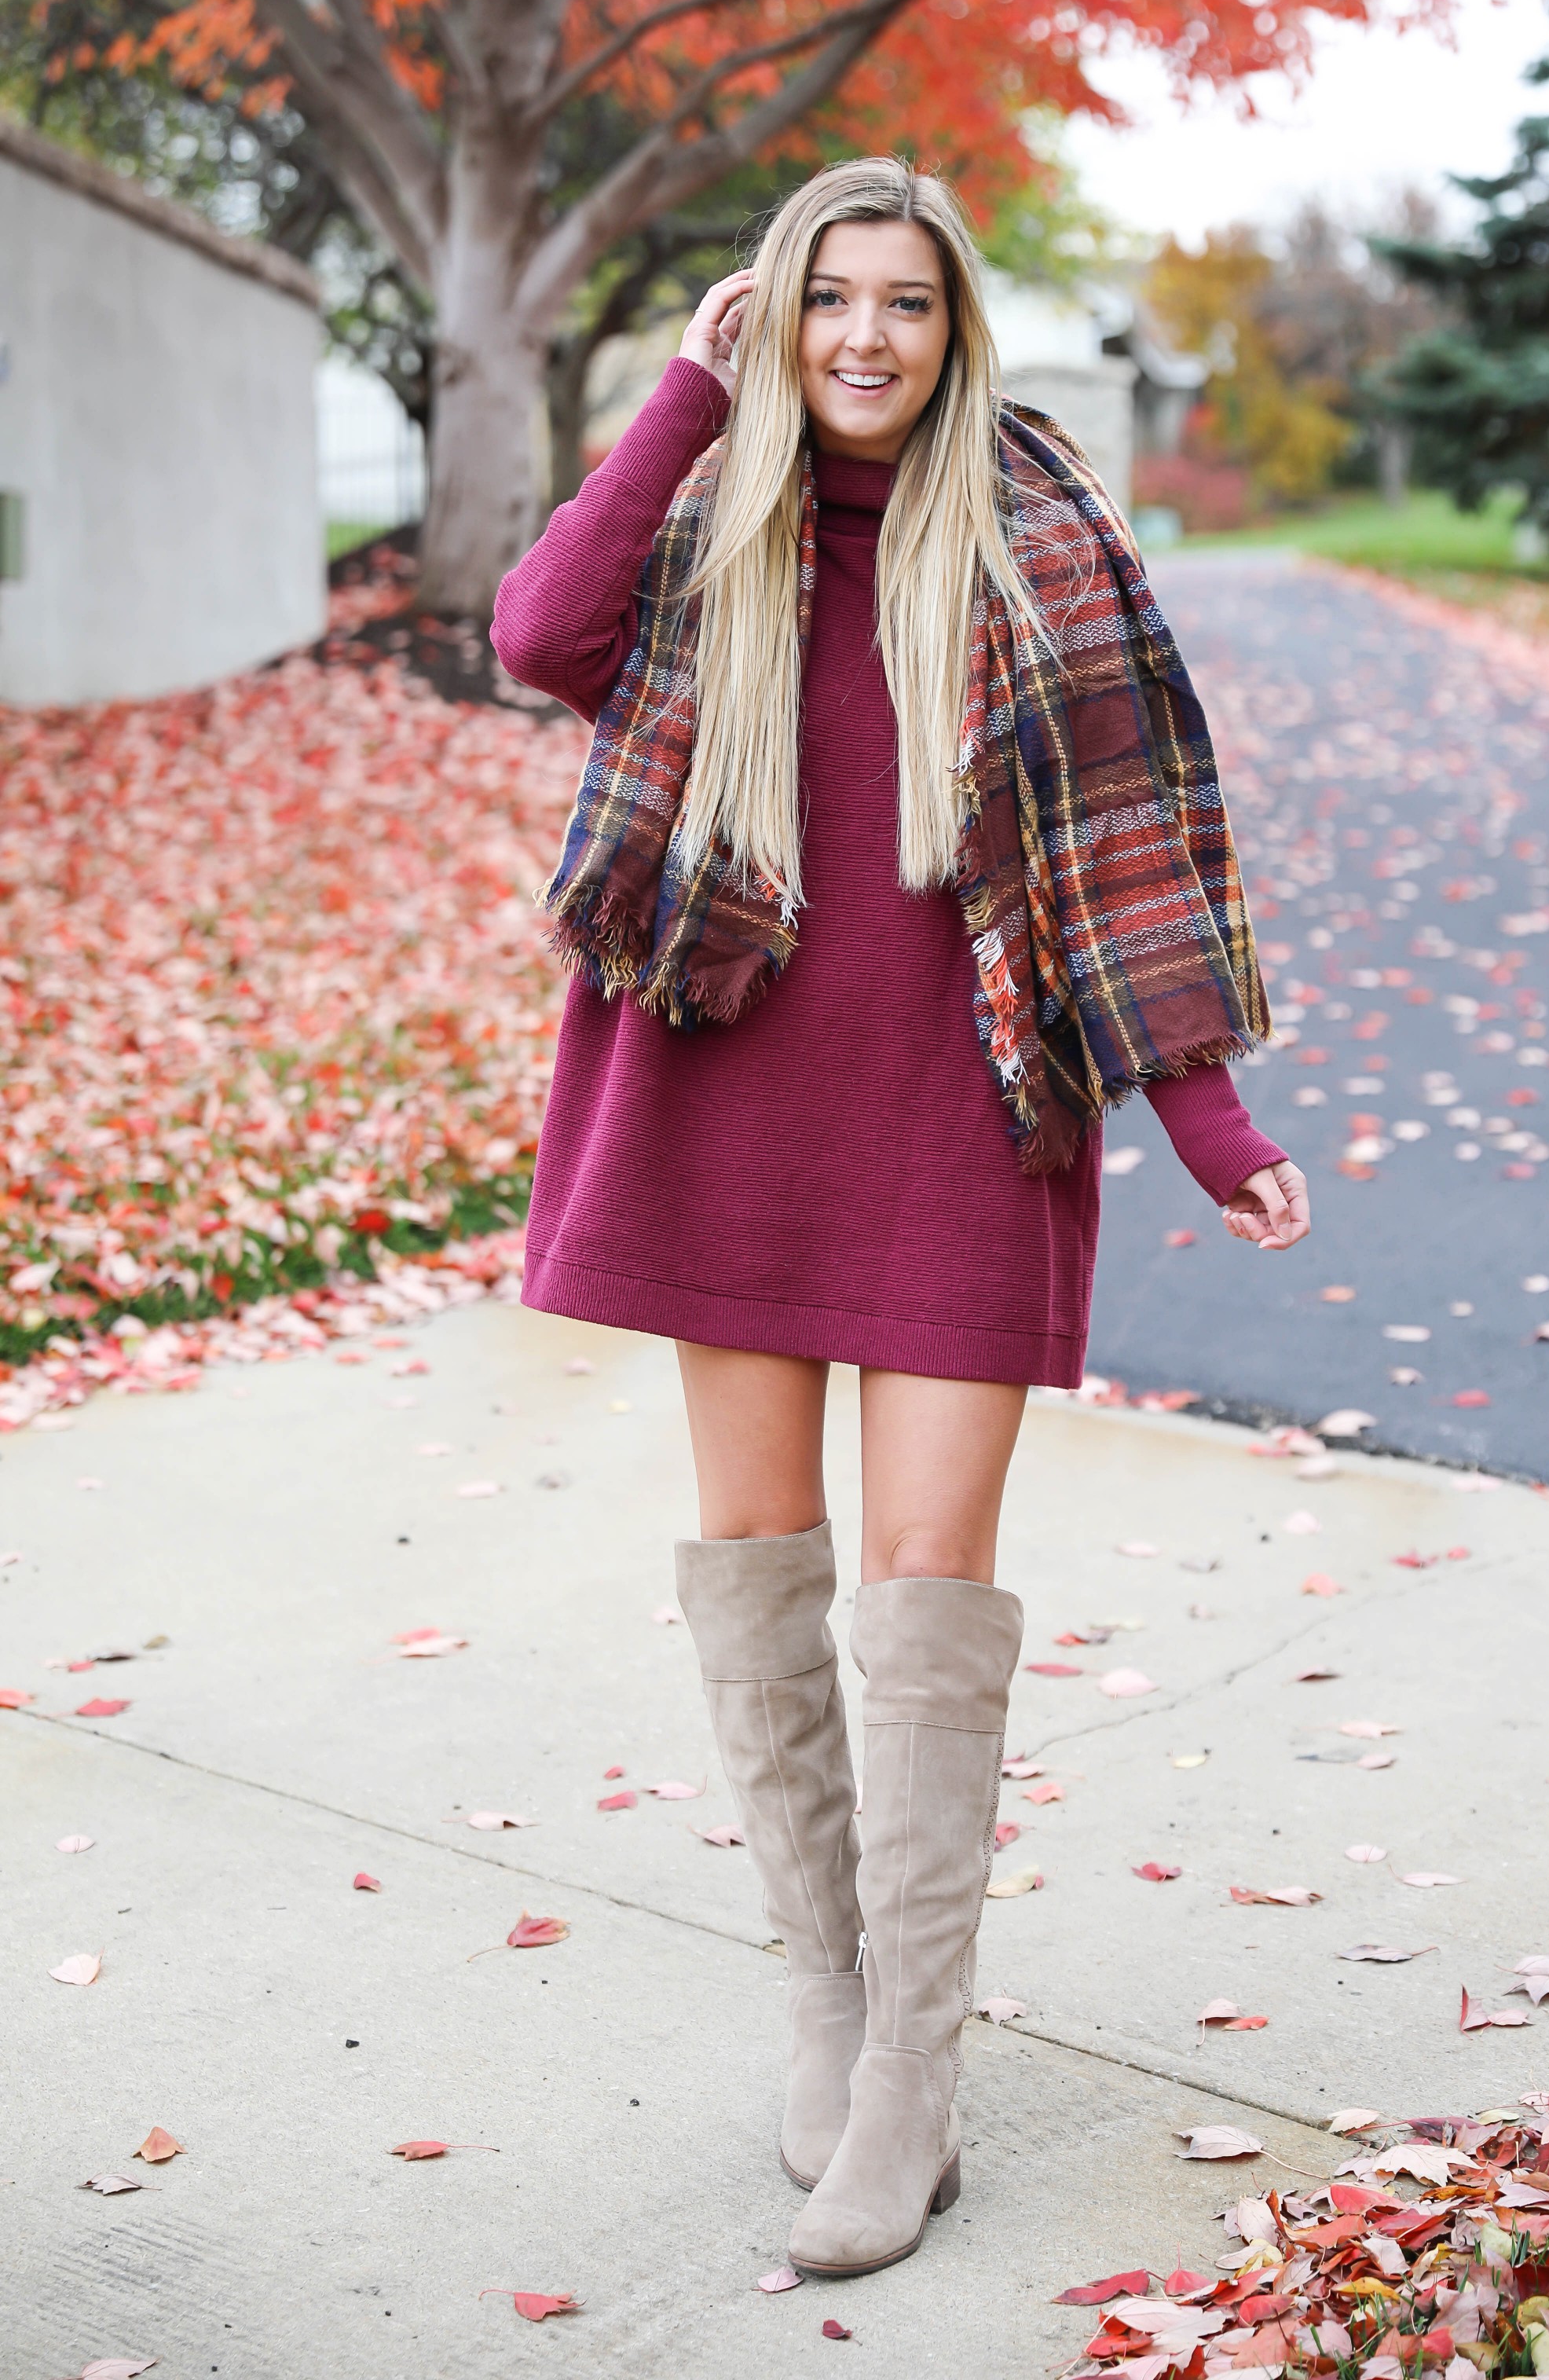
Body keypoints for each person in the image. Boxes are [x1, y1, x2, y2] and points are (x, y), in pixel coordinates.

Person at [491, 157, 1309, 2281]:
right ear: (779, 319)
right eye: (826, 299)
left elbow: (1127, 842)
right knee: (756, 1574)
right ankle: (828, 2012)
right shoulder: (707, 522)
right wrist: (686, 396)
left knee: (924, 1596)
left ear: (956, 333)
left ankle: (915, 2085)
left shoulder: (1042, 545)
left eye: (906, 304)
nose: (866, 335)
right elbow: (536, 636)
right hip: (721, 1086)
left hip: (966, 1113)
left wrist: (1212, 1122)